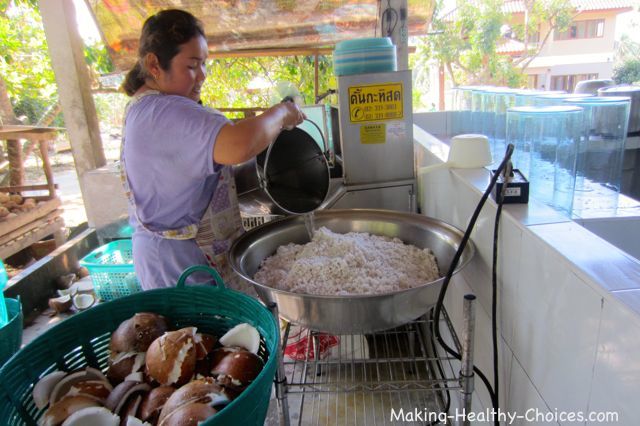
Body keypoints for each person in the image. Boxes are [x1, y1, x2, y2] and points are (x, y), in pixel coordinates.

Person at [120, 9, 305, 290]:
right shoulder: (161, 112)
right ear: (154, 64)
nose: (202, 75)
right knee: (194, 334)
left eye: (204, 64)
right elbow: (238, 145)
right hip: (177, 266)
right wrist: (281, 113)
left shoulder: (153, 109)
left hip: (187, 256)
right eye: (192, 65)